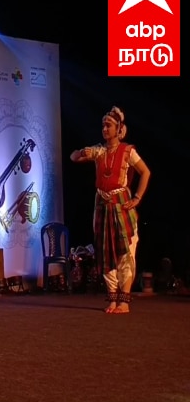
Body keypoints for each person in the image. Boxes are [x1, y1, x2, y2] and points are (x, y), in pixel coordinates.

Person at [70, 106, 150, 314]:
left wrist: (137, 198)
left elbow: (145, 172)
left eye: (109, 125)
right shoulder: (99, 150)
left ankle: (124, 301)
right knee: (105, 252)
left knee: (125, 251)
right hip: (102, 206)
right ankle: (112, 299)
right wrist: (80, 152)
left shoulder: (127, 151)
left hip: (122, 205)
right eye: (103, 125)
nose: (105, 129)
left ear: (119, 128)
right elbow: (73, 157)